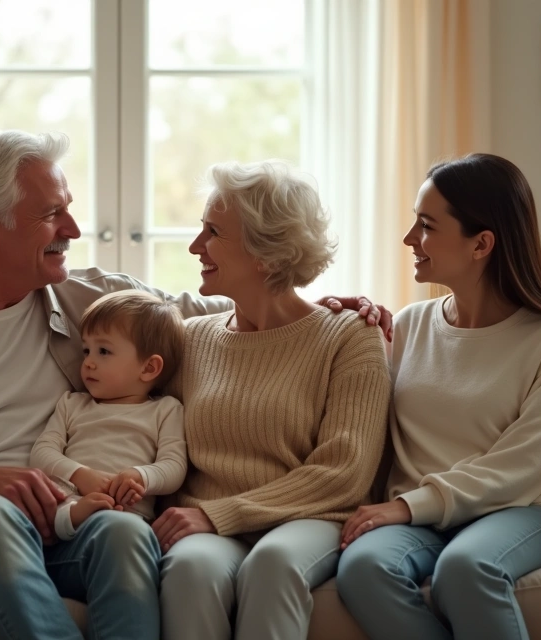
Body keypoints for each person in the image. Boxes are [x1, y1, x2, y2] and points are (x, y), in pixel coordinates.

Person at [0, 130, 389, 640]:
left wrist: (335, 306)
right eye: (52, 214)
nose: (74, 230)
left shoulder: (98, 300)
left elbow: (241, 312)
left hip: (85, 517)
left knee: (129, 530)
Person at [335, 153, 541, 640]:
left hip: (527, 509)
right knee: (363, 568)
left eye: (426, 226)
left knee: (464, 569)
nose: (410, 239)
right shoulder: (411, 326)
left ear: (481, 243)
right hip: (423, 515)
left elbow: (526, 463)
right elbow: (350, 402)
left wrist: (410, 505)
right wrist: (327, 319)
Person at [152, 160, 392, 640]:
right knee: (189, 570)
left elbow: (344, 471)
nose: (196, 246)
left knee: (272, 564)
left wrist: (221, 513)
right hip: (209, 519)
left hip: (308, 518)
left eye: (213, 232)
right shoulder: (191, 338)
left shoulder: (349, 336)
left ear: (265, 252)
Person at [30, 289, 187, 541]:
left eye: (103, 351)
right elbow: (42, 453)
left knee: (128, 532)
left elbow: (174, 466)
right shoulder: (72, 403)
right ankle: (72, 520)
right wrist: (80, 475)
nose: (89, 362)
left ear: (149, 368)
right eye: (86, 351)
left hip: (128, 515)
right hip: (69, 502)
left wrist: (140, 476)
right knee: (56, 513)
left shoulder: (166, 410)